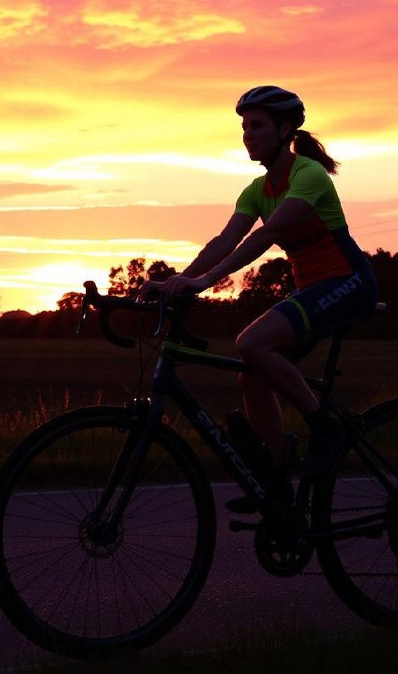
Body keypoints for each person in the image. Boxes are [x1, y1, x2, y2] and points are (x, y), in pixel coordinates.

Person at [146, 85, 379, 513]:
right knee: (252, 376)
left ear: (285, 128)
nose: (247, 134)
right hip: (311, 289)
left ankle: (326, 430)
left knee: (251, 344)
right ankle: (275, 483)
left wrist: (208, 282)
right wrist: (179, 280)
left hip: (349, 282)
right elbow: (225, 240)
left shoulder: (308, 174)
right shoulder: (256, 189)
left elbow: (267, 235)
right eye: (243, 127)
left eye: (257, 125)